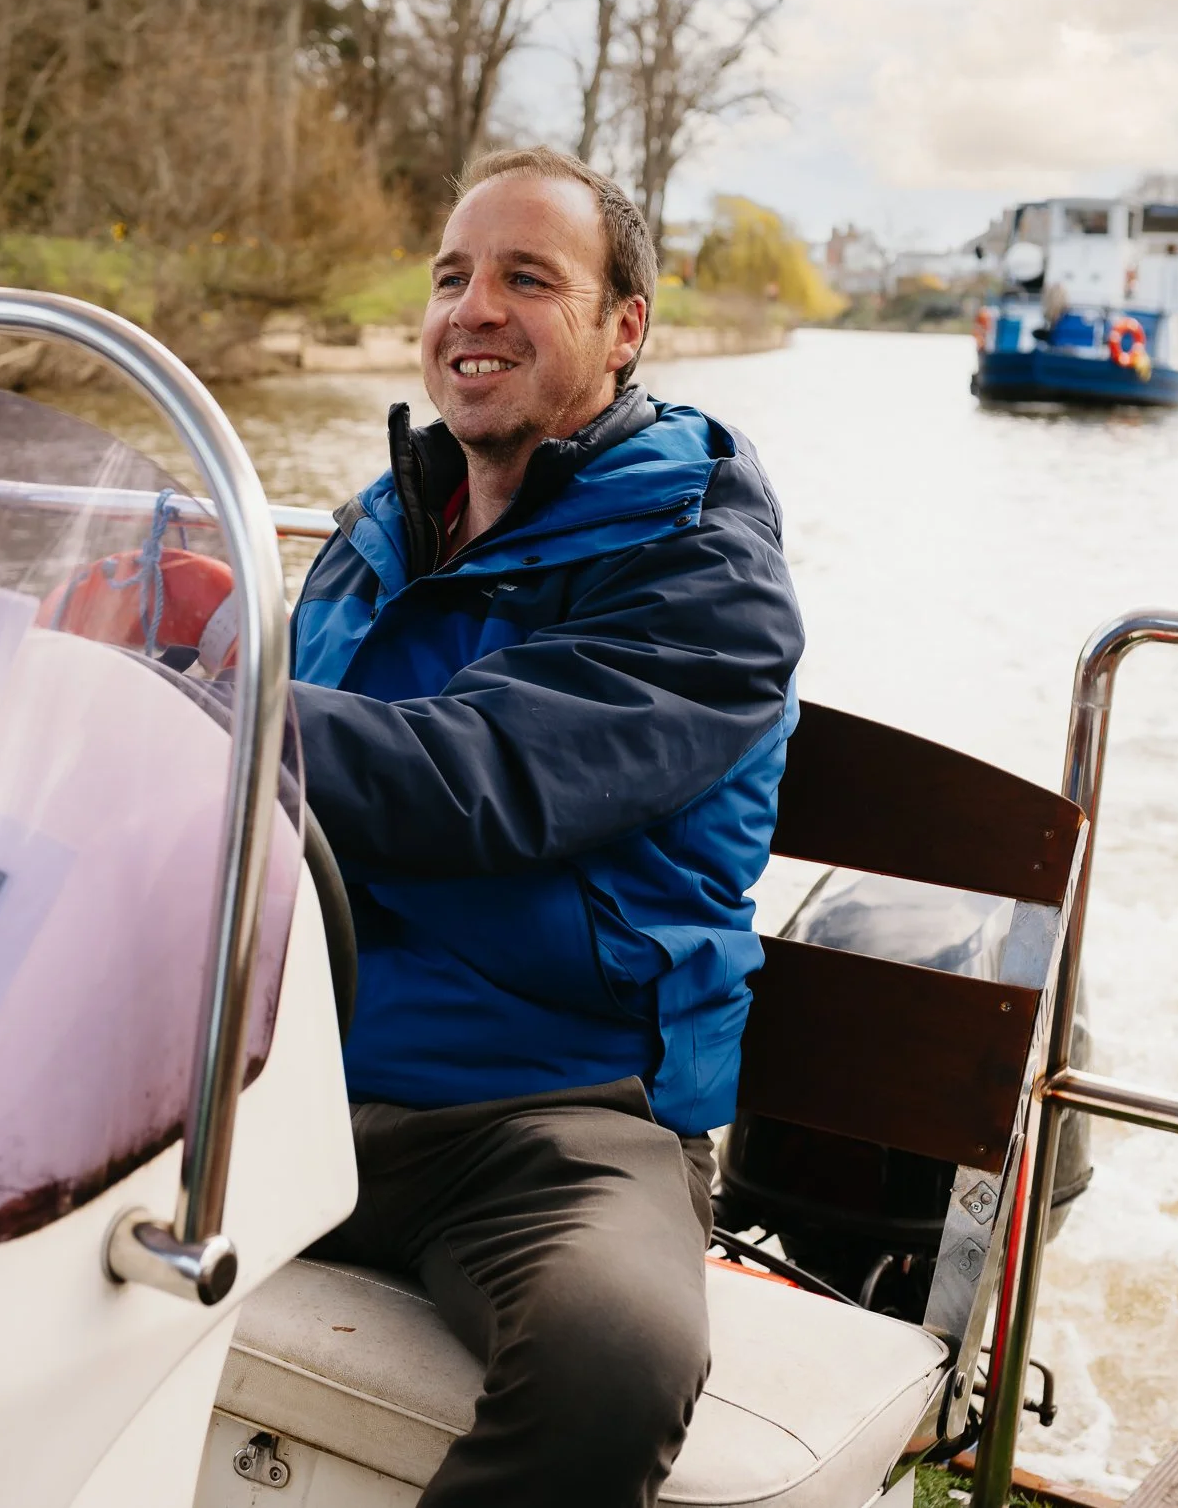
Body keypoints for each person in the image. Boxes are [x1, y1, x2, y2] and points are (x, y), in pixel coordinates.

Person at [288, 146, 804, 1508]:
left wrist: (202, 698)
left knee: (611, 1355)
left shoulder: (703, 569)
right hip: (293, 1074)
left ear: (625, 327)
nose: (476, 307)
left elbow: (476, 777)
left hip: (550, 1117)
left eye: (530, 276)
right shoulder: (378, 532)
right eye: (453, 275)